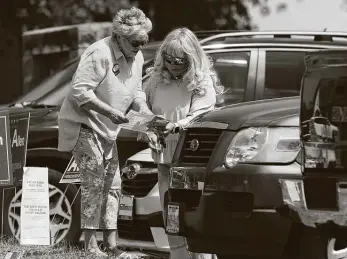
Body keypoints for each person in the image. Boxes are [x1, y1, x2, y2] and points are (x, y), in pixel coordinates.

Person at [57, 7, 153, 257]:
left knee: (113, 185)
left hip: (109, 129)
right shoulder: (99, 52)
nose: (140, 47)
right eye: (135, 42)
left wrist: (143, 110)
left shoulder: (137, 56)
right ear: (119, 36)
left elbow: (136, 92)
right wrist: (110, 111)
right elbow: (80, 92)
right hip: (84, 124)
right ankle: (90, 246)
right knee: (93, 183)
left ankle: (111, 245)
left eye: (144, 42)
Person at [143, 27, 224, 259]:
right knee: (170, 215)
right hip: (163, 160)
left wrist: (174, 126)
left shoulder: (202, 81)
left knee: (192, 216)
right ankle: (177, 256)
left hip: (191, 159)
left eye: (178, 60)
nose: (171, 64)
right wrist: (147, 129)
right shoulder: (156, 79)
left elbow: (200, 116)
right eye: (167, 58)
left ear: (190, 58)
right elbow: (143, 110)